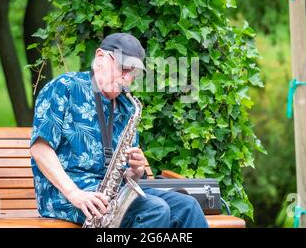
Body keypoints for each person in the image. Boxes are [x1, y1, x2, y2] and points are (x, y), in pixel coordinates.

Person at [30, 32, 208, 228]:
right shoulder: (64, 87)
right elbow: (40, 149)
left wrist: (136, 170)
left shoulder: (127, 107)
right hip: (68, 195)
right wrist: (75, 194)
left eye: (132, 73)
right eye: (123, 69)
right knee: (154, 210)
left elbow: (123, 175)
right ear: (100, 59)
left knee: (188, 206)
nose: (126, 78)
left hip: (113, 193)